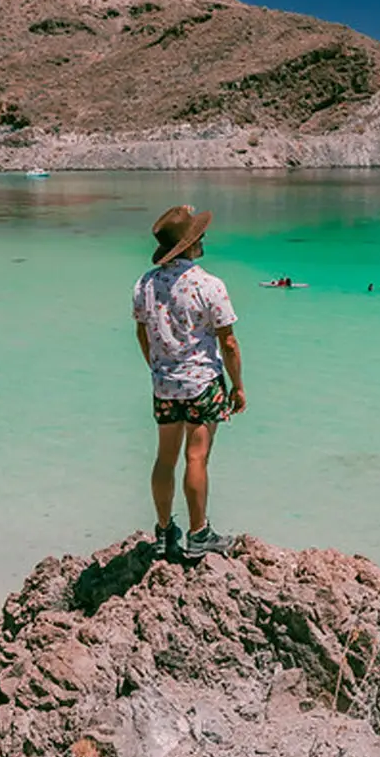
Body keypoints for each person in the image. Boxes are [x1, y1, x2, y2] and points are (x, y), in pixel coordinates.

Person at [133, 205, 246, 562]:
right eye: (199, 236)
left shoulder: (145, 284)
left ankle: (164, 532)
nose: (203, 239)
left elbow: (142, 332)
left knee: (165, 459)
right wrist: (237, 386)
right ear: (190, 244)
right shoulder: (209, 285)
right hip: (202, 384)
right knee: (196, 457)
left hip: (164, 385)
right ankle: (199, 535)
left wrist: (158, 368)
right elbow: (228, 342)